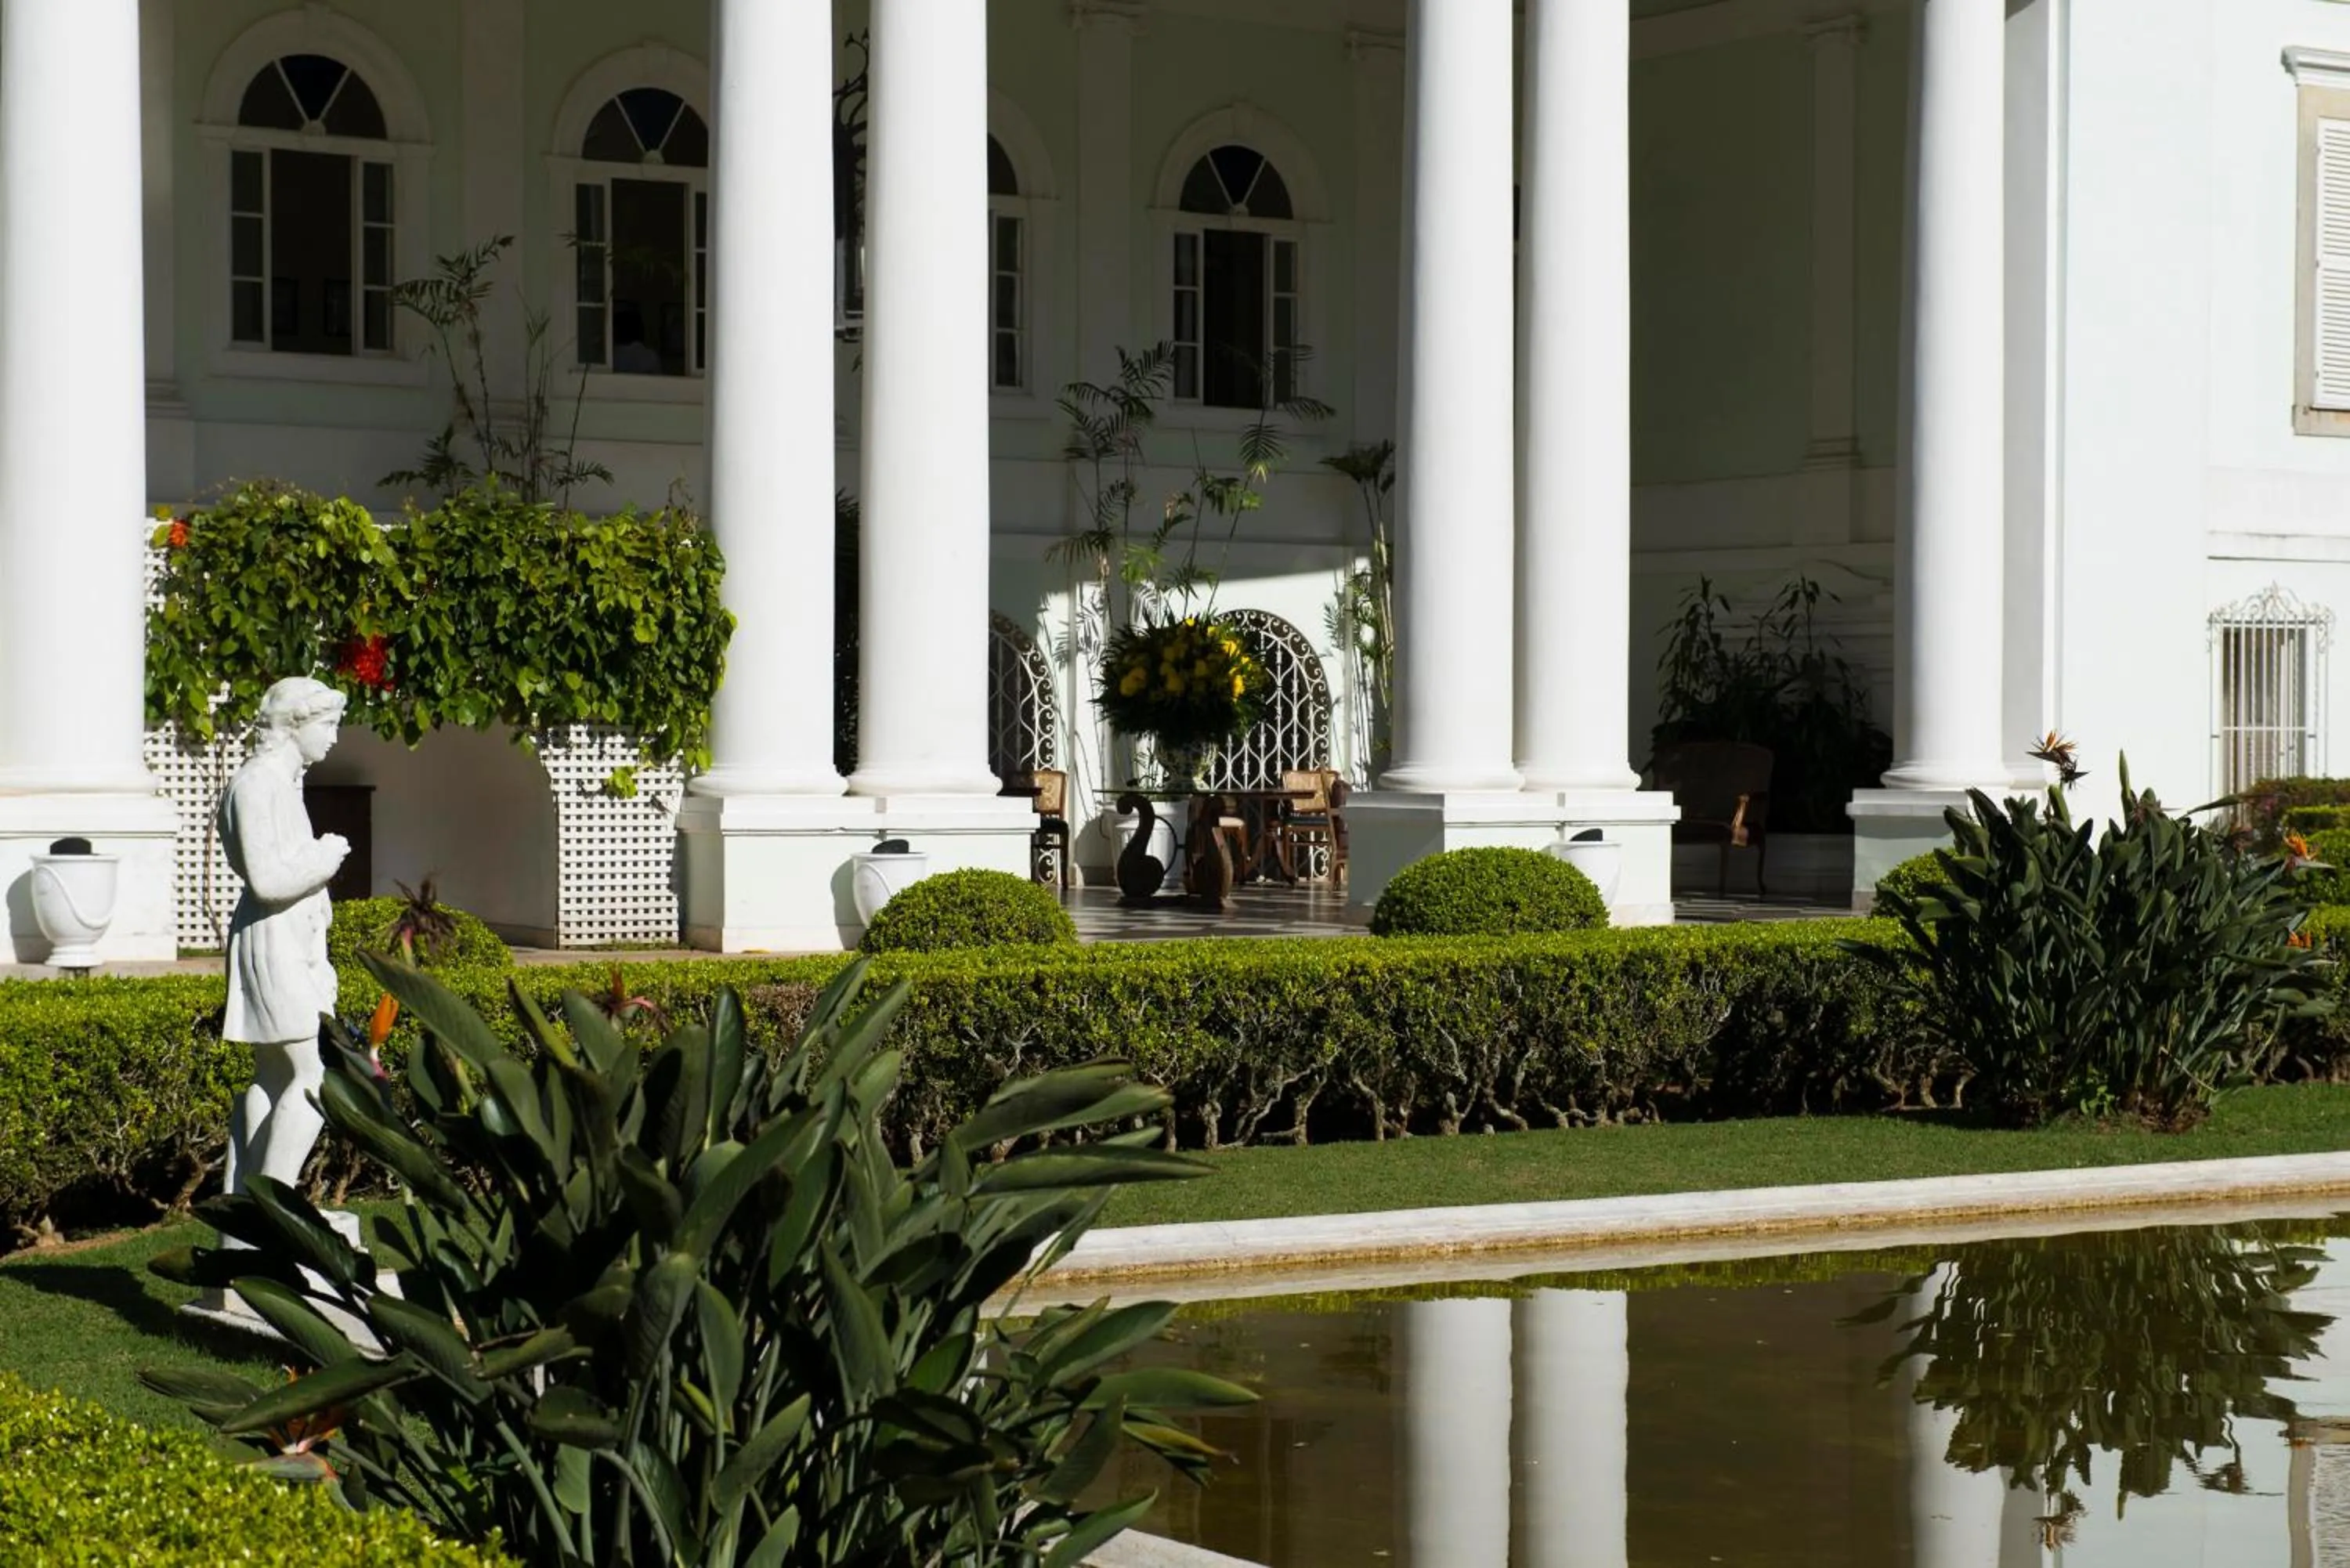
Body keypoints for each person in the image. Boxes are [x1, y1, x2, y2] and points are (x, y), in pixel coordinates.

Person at [218, 676, 350, 1197]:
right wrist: (325, 858)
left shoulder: (280, 783)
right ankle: (273, 1209)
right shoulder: (258, 784)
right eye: (330, 725)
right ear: (297, 724)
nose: (335, 738)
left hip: (287, 940)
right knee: (314, 1077)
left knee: (274, 1077)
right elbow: (268, 881)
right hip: (273, 940)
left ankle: (245, 1209)